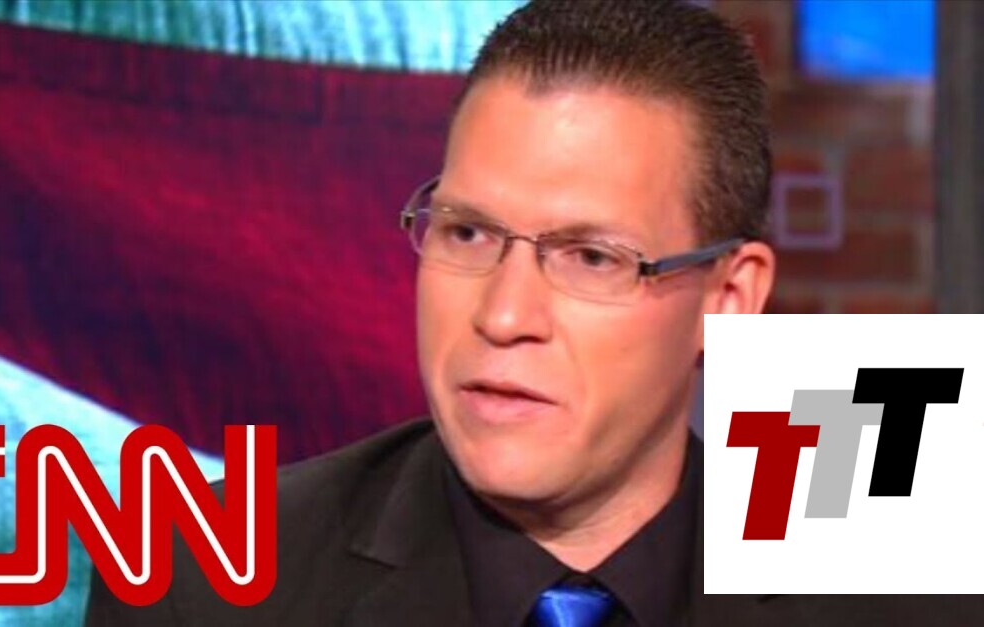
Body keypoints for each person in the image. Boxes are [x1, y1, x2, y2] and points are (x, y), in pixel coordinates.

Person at [85, 1, 984, 625]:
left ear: (729, 297)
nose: (504, 314)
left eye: (591, 256)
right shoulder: (200, 579)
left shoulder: (909, 596)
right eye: (467, 232)